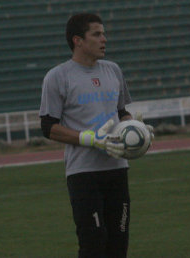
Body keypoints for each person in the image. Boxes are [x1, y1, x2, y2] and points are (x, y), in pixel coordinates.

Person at [39, 13, 134, 258]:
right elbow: (48, 126)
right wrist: (89, 139)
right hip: (83, 173)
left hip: (117, 168)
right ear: (78, 40)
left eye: (103, 33)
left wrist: (134, 131)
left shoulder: (113, 70)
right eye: (97, 34)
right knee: (93, 244)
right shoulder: (57, 76)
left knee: (118, 246)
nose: (104, 39)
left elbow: (123, 112)